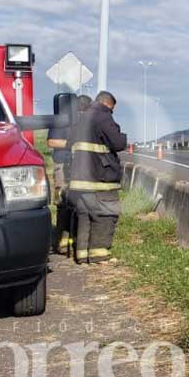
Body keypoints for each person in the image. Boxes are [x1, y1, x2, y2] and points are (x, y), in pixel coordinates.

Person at [68, 91, 128, 264]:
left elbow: (69, 145)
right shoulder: (103, 117)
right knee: (105, 215)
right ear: (108, 104)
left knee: (85, 217)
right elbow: (118, 143)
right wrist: (122, 136)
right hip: (99, 179)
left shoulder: (80, 119)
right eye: (112, 110)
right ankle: (98, 255)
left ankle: (81, 254)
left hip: (79, 181)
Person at [46, 95, 91, 255]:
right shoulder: (61, 120)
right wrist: (72, 143)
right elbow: (51, 142)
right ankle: (60, 243)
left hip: (79, 167)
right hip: (62, 165)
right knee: (63, 204)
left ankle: (75, 241)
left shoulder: (85, 122)